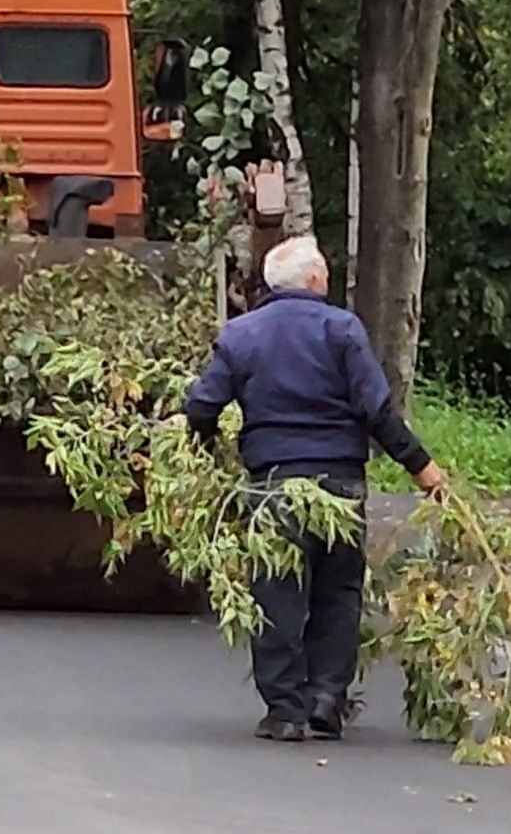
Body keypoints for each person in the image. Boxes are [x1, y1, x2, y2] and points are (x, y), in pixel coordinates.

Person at [183, 236, 447, 743]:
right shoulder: (341, 329)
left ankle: (285, 711)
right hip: (340, 486)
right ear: (313, 280)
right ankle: (327, 698)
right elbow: (377, 409)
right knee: (338, 592)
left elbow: (203, 406)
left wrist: (202, 456)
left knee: (276, 593)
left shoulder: (241, 334)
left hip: (273, 487)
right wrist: (421, 467)